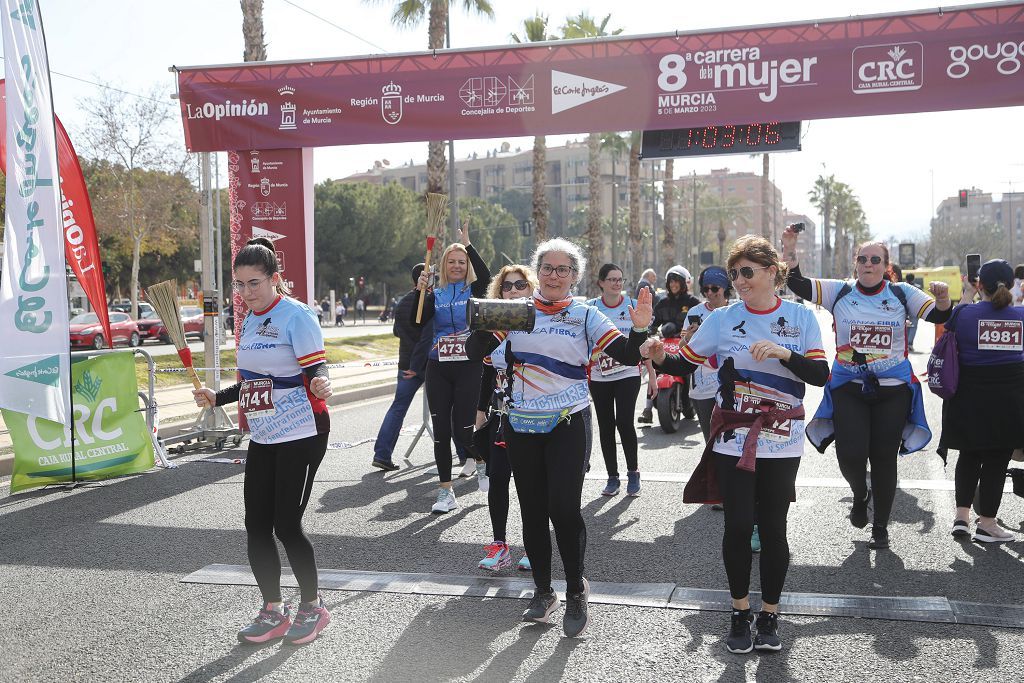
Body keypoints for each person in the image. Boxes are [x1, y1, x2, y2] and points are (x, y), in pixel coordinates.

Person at [641, 234, 828, 654]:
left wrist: (784, 354)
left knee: (774, 529)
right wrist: (656, 353)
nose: (739, 281)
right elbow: (681, 363)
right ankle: (740, 611)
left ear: (772, 272)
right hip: (733, 438)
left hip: (782, 441)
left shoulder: (801, 319)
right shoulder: (723, 319)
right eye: (734, 273)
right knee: (739, 526)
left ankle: (771, 615)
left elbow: (819, 375)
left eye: (747, 272)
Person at [467, 238, 653, 638]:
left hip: (569, 421)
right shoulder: (517, 312)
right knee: (532, 509)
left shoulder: (585, 315)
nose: (554, 275)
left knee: (563, 509)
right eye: (548, 268)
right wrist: (484, 324)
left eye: (563, 269)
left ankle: (575, 589)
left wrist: (639, 327)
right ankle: (542, 591)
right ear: (539, 272)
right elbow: (474, 352)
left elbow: (627, 354)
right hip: (521, 424)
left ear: (575, 275)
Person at [192, 237, 333, 645]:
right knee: (256, 524)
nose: (246, 293)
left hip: (303, 431)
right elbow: (253, 382)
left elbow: (315, 367)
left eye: (254, 283)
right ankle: (273, 609)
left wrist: (322, 382)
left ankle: (313, 606)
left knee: (286, 524)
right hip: (265, 434)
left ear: (275, 279)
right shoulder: (249, 320)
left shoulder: (296, 316)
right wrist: (217, 398)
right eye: (239, 285)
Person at [783, 230, 952, 551]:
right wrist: (789, 249)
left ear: (886, 266)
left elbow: (939, 315)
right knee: (850, 452)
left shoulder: (902, 293)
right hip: (849, 386)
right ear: (855, 263)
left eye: (876, 259)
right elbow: (799, 285)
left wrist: (943, 300)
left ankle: (880, 528)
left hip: (894, 389)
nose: (868, 264)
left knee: (884, 457)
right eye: (863, 259)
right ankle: (860, 495)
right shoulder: (840, 292)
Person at [942, 260, 1024, 542]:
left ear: (979, 285)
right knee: (996, 460)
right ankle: (987, 523)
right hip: (1009, 400)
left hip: (968, 398)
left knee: (969, 455)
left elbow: (950, 326)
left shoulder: (964, 314)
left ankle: (961, 518)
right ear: (1012, 284)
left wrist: (967, 292)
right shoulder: (1021, 316)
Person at [414, 220, 491, 513]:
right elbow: (417, 321)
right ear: (444, 265)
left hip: (468, 365)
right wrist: (419, 291)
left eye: (462, 261)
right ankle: (445, 492)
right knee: (442, 429)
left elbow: (484, 273)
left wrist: (468, 243)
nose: (457, 266)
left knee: (463, 430)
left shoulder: (475, 287)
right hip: (438, 365)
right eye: (452, 261)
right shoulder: (436, 291)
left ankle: (481, 460)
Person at [473, 264, 539, 573]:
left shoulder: (542, 321)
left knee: (530, 483)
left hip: (536, 415)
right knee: (498, 479)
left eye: (520, 285)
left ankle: (533, 545)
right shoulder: (495, 325)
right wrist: (480, 408)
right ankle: (499, 546)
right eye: (507, 286)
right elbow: (484, 366)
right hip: (501, 415)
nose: (513, 290)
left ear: (531, 289)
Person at [587, 263, 657, 497]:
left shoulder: (635, 306)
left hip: (628, 372)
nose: (617, 284)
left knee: (624, 422)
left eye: (620, 280)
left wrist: (653, 375)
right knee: (605, 425)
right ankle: (612, 477)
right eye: (612, 279)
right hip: (600, 375)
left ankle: (633, 473)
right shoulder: (591, 309)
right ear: (601, 283)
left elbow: (643, 345)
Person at [371, 264, 433, 472]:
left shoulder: (403, 301)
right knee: (445, 410)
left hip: (405, 364)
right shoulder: (429, 301)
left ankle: (382, 454)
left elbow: (397, 331)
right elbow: (428, 336)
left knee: (397, 409)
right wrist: (417, 364)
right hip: (425, 364)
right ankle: (463, 453)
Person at [640, 265, 700, 423]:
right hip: (666, 342)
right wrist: (649, 330)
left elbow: (702, 322)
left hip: (685, 344)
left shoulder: (693, 302)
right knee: (653, 367)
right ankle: (647, 408)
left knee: (691, 369)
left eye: (676, 281)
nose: (673, 284)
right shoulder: (662, 303)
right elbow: (653, 322)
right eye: (670, 281)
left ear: (683, 282)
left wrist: (693, 332)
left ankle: (695, 400)